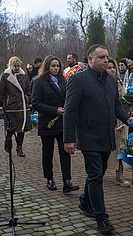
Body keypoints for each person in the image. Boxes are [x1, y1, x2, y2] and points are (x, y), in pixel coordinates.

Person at [63, 44, 133, 234]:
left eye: (107, 57)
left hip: (107, 136)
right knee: (95, 175)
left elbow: (116, 105)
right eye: (102, 57)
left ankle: (85, 201)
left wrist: (127, 118)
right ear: (90, 60)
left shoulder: (111, 81)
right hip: (88, 137)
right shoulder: (78, 80)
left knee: (99, 172)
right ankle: (101, 217)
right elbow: (69, 110)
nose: (106, 60)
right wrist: (68, 139)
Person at [31, 55, 79, 193]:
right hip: (47, 122)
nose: (56, 68)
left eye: (58, 66)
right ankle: (49, 178)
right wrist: (54, 110)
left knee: (65, 152)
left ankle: (67, 181)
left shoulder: (63, 80)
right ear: (47, 66)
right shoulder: (38, 81)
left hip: (62, 121)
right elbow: (35, 103)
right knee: (48, 152)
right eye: (53, 66)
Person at [0, 56, 32, 157]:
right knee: (10, 128)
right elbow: (1, 92)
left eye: (18, 66)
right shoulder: (5, 76)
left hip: (22, 106)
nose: (17, 68)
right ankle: (8, 142)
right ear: (11, 65)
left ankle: (19, 147)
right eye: (15, 66)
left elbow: (28, 90)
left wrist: (28, 101)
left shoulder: (24, 76)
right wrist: (1, 105)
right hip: (10, 107)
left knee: (22, 129)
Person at [106, 58, 130, 187]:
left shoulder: (119, 82)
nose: (112, 70)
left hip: (122, 120)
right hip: (110, 121)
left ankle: (119, 175)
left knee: (122, 147)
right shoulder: (104, 83)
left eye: (113, 67)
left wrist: (128, 103)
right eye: (109, 67)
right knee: (109, 149)